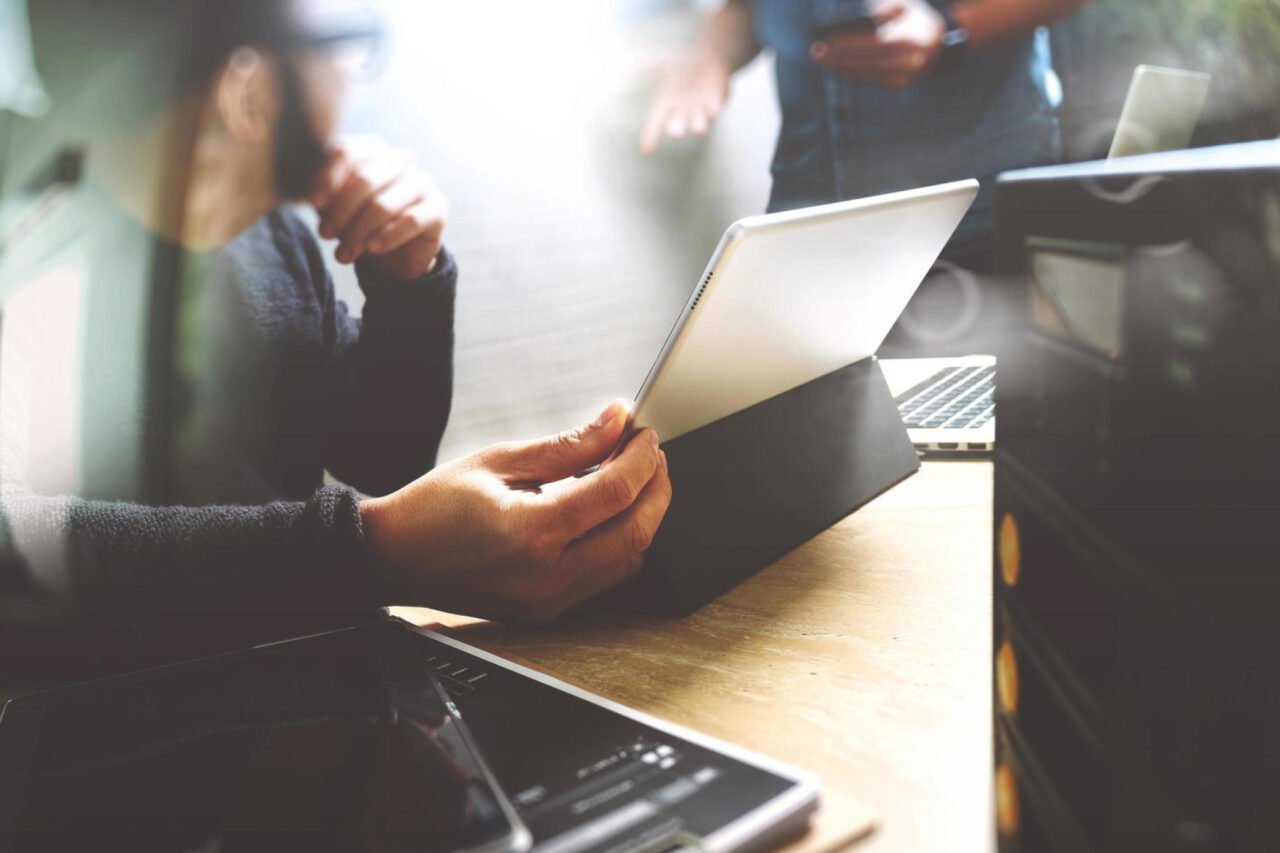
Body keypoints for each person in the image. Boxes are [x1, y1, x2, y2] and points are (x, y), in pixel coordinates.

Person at [0, 0, 672, 680]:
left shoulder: (272, 237)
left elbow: (382, 459)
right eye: (351, 45)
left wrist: (407, 284)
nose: (355, 83)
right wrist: (371, 551)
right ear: (249, 90)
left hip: (302, 703)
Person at [642, 0, 1090, 270]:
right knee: (817, 422)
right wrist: (709, 55)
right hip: (804, 214)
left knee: (957, 420)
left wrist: (953, 30)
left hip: (969, 206)